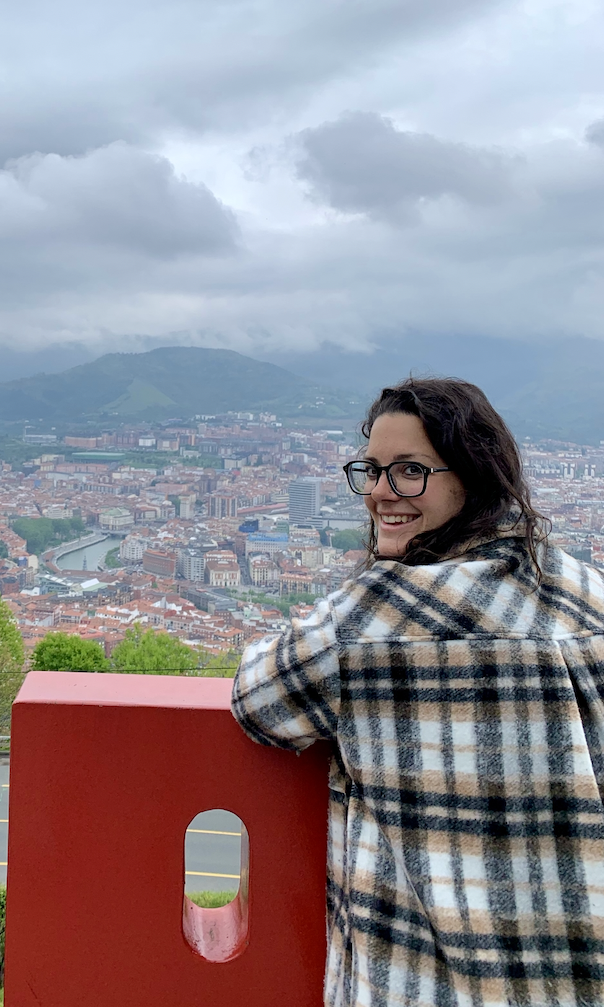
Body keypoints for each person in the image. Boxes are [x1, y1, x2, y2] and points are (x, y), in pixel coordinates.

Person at [231, 377, 604, 1007]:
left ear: (472, 476)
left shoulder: (374, 619)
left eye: (409, 471)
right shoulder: (583, 592)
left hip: (415, 983)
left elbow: (259, 700)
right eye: (372, 470)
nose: (380, 492)